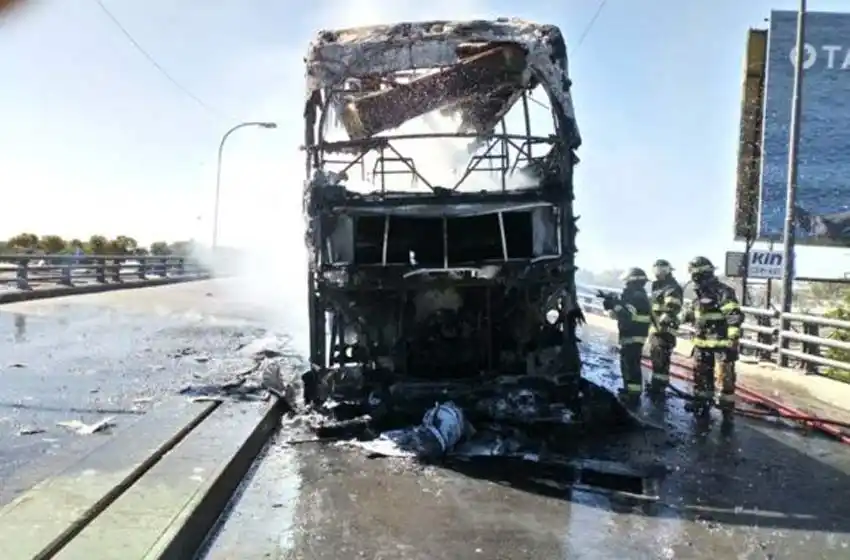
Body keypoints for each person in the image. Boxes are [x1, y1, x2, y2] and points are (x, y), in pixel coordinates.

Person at [680, 256, 744, 415]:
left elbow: (733, 314)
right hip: (702, 344)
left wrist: (732, 338)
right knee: (701, 375)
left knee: (725, 378)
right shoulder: (699, 296)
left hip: (722, 344)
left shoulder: (722, 291)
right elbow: (692, 314)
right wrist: (677, 319)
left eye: (693, 273)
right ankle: (702, 402)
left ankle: (726, 408)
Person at [600, 267, 652, 404]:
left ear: (632, 281)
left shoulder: (635, 296)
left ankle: (633, 396)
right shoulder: (638, 294)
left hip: (633, 335)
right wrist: (613, 304)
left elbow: (627, 315)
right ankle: (628, 389)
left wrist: (615, 305)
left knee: (631, 366)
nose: (625, 284)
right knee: (627, 364)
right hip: (633, 335)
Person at [647, 259, 683, 396]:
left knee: (661, 359)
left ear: (666, 270)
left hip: (664, 330)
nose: (657, 272)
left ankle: (659, 389)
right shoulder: (658, 287)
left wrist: (665, 316)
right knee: (657, 359)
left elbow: (673, 306)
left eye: (659, 269)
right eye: (655, 268)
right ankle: (657, 385)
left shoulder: (671, 287)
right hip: (656, 330)